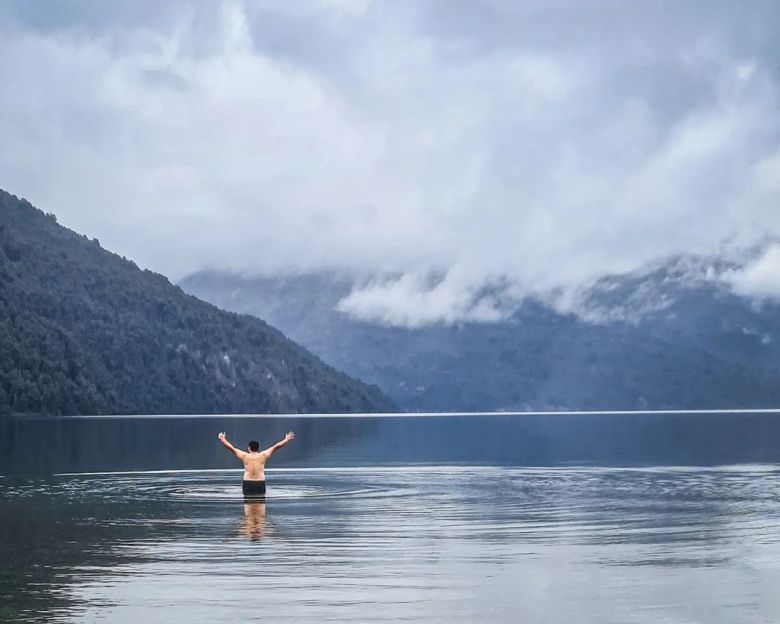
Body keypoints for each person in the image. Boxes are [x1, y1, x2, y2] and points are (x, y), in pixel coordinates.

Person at [217, 431, 295, 497]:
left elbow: (230, 448)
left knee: (248, 509)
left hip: (248, 482)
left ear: (249, 448)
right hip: (259, 482)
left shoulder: (244, 456)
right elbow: (276, 446)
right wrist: (286, 439)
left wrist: (222, 439)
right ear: (258, 448)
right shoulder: (263, 455)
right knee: (260, 508)